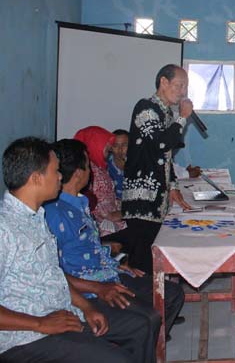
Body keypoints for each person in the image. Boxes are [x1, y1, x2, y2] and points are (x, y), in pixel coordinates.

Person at [0, 137, 144, 363]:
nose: (60, 176)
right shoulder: (4, 228)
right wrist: (40, 324)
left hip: (60, 315)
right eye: (55, 171)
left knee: (135, 333)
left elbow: (53, 275)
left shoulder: (36, 217)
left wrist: (86, 307)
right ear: (36, 178)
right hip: (24, 337)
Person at [45, 139, 185, 358]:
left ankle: (144, 346)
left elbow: (87, 248)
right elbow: (54, 270)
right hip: (88, 288)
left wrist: (118, 263)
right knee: (147, 319)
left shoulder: (78, 203)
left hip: (108, 273)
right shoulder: (54, 214)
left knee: (173, 293)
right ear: (80, 172)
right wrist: (100, 286)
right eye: (88, 163)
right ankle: (135, 346)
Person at [121, 64, 193, 273]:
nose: (183, 92)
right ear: (163, 82)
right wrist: (183, 117)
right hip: (141, 199)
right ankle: (138, 301)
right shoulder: (145, 108)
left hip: (157, 198)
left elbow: (166, 157)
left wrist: (172, 185)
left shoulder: (166, 113)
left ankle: (154, 297)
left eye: (185, 87)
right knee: (142, 258)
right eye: (179, 86)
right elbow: (161, 144)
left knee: (153, 255)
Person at [74, 126, 126, 237]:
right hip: (99, 223)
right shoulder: (87, 171)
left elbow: (109, 198)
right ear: (95, 145)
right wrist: (110, 214)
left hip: (112, 216)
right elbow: (87, 202)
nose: (111, 150)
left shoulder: (100, 168)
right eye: (107, 147)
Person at [107, 129, 128, 200]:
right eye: (116, 145)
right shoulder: (104, 167)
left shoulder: (138, 165)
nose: (120, 149)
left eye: (124, 145)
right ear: (110, 148)